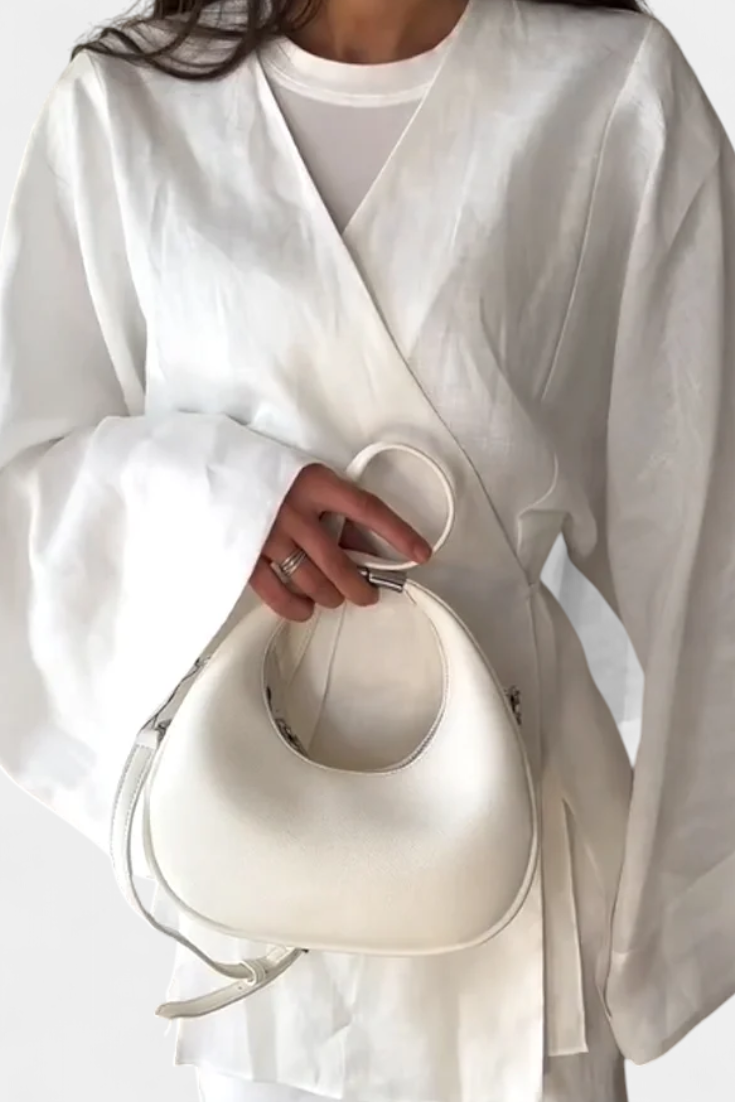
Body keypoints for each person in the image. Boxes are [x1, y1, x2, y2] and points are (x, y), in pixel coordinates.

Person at [1, 0, 734, 1100]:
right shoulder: (128, 103)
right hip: (256, 848)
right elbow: (24, 481)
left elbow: (708, 512)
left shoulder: (609, 91)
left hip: (515, 880)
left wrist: (673, 918)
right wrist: (224, 503)